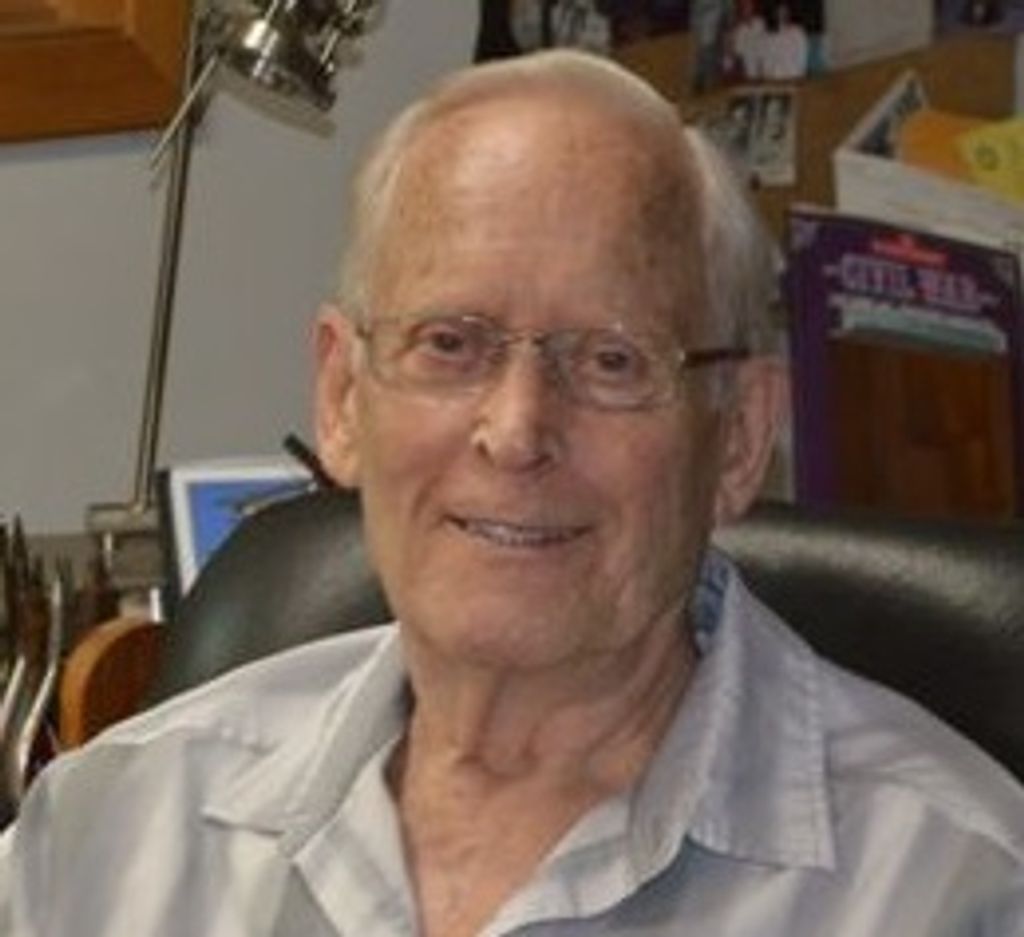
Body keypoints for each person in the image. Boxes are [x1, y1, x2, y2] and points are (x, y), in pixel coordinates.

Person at [2, 50, 1024, 937]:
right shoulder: (112, 835)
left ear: (739, 437)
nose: (517, 430)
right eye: (450, 343)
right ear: (342, 395)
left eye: (612, 361)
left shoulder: (949, 888)